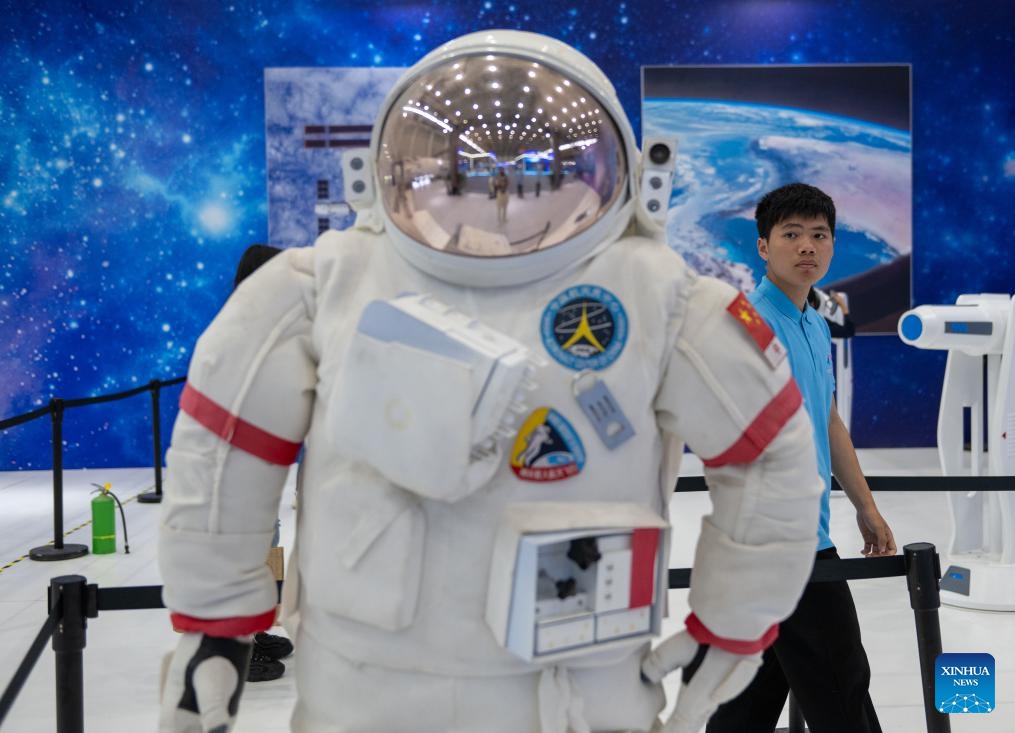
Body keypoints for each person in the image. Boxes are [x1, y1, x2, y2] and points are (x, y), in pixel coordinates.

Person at [157, 31, 823, 733]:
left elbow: (770, 460)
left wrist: (734, 623)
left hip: (566, 693)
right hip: (373, 689)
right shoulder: (329, 281)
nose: (498, 193)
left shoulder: (656, 292)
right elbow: (223, 457)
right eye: (470, 167)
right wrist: (214, 623)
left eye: (532, 166)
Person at [706, 183, 896, 733]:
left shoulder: (812, 321)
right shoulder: (747, 324)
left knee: (750, 698)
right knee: (842, 684)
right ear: (764, 246)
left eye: (819, 235)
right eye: (791, 234)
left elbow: (827, 418)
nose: (807, 246)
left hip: (797, 533)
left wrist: (864, 505)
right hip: (779, 541)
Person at [231, 243, 296, 683]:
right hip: (241, 457)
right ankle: (237, 645)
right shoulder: (241, 329)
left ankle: (256, 628)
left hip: (263, 457)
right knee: (246, 549)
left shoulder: (266, 325)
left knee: (267, 540)